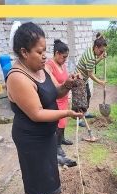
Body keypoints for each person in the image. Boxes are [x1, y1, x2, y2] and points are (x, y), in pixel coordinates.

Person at [5, 23, 83, 194]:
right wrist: (67, 113)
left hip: (46, 132)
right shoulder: (18, 77)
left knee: (47, 162)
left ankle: (47, 189)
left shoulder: (42, 68)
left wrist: (68, 84)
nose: (44, 56)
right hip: (30, 135)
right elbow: (37, 113)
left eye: (45, 51)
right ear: (24, 52)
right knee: (34, 167)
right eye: (39, 52)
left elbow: (55, 92)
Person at [45, 40, 77, 168]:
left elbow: (65, 78)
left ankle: (62, 139)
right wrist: (66, 85)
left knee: (63, 122)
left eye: (66, 57)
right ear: (57, 53)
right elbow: (55, 85)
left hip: (64, 97)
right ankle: (57, 146)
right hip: (56, 98)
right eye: (64, 57)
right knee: (58, 123)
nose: (65, 60)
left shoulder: (61, 64)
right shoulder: (49, 65)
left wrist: (72, 78)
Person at [71, 33, 108, 118]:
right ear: (96, 47)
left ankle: (85, 113)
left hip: (84, 79)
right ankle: (78, 118)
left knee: (88, 95)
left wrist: (101, 58)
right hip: (78, 79)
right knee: (80, 100)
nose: (102, 52)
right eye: (101, 51)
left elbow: (92, 64)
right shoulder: (91, 57)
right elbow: (90, 74)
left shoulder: (92, 50)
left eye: (103, 51)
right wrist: (100, 82)